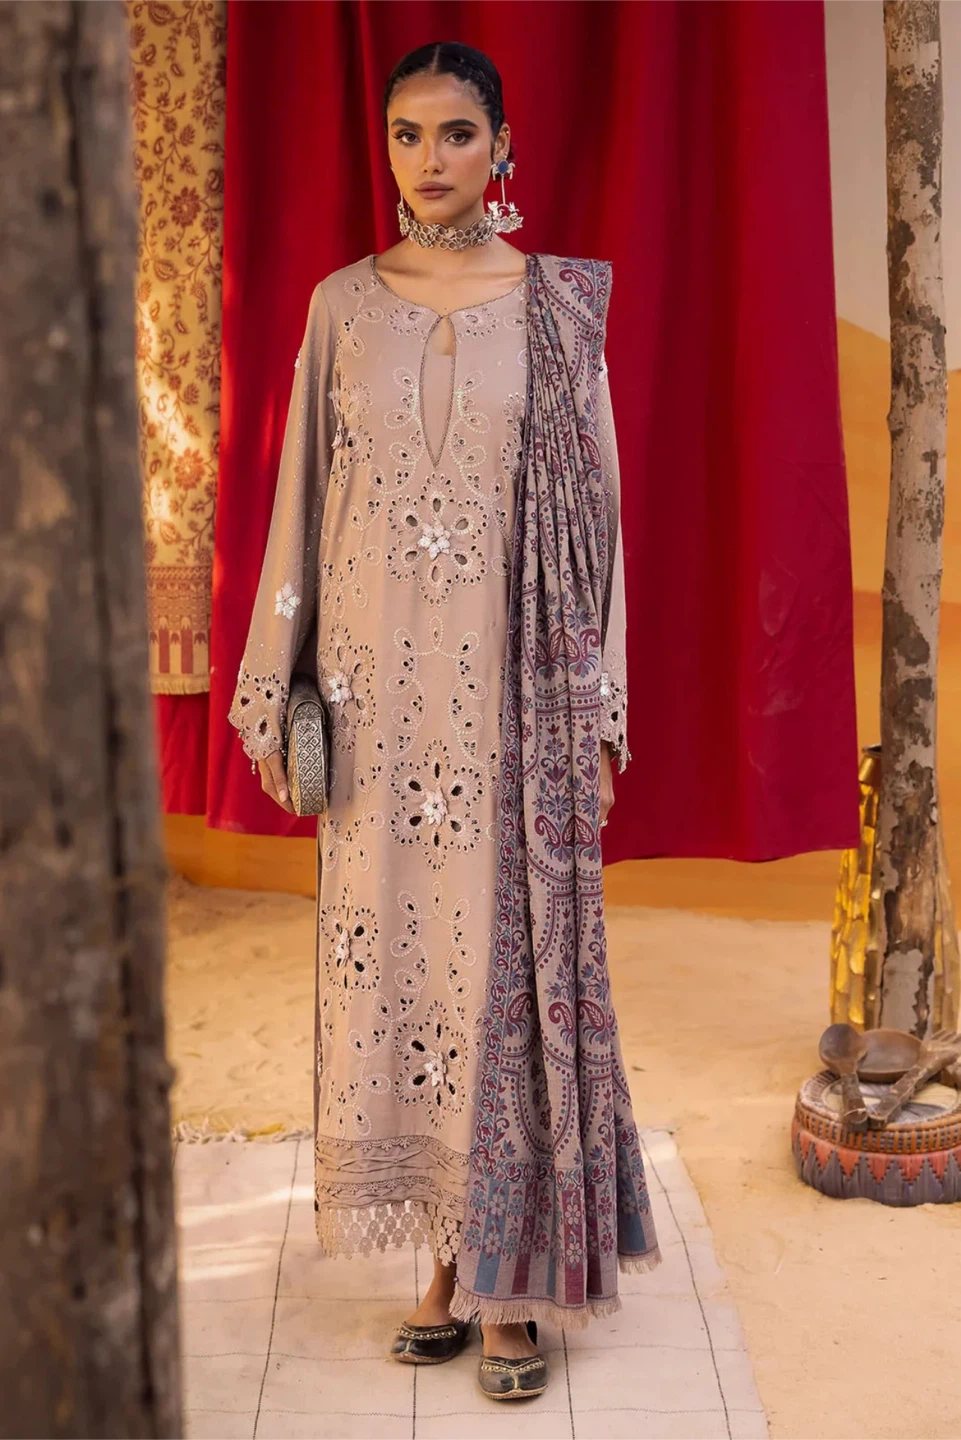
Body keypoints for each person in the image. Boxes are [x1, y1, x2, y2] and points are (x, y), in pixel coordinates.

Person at [228, 40, 660, 1402]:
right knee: (405, 978)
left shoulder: (557, 310)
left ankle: (509, 1278)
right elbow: (300, 498)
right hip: (375, 701)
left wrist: (599, 699)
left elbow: (600, 524)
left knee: (499, 973)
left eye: (457, 133)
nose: (430, 159)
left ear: (502, 146)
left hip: (510, 700)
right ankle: (439, 1255)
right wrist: (280, 679)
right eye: (408, 134)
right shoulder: (341, 308)